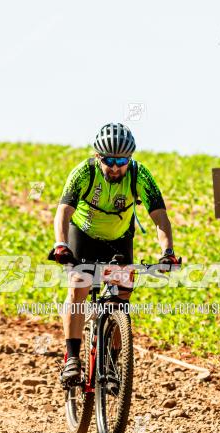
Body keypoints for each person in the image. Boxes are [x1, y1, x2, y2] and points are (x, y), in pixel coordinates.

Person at [48, 123, 181, 384]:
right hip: (84, 235)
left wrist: (168, 252)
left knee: (121, 298)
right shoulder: (84, 172)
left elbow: (160, 218)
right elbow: (63, 212)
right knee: (78, 287)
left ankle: (111, 362)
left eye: (122, 160)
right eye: (110, 160)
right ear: (99, 157)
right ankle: (73, 358)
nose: (116, 167)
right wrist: (61, 245)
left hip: (119, 240)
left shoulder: (139, 174)